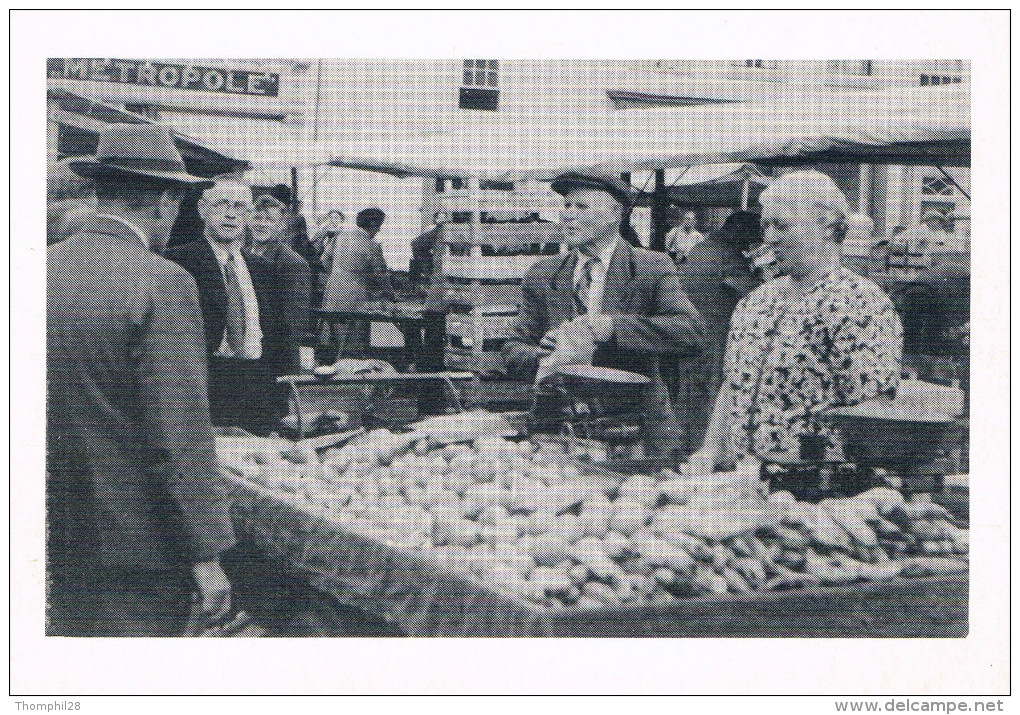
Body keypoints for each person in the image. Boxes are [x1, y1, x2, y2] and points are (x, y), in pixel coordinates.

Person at [47, 124, 235, 636]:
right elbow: (179, 431)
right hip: (136, 544)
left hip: (49, 526)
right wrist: (205, 551)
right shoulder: (164, 281)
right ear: (164, 202)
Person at [690, 170, 903, 472]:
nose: (769, 237)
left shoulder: (860, 305)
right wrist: (709, 451)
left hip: (818, 494)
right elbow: (733, 385)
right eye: (766, 225)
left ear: (827, 227)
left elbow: (874, 410)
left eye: (782, 225)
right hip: (743, 487)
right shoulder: (754, 302)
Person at [503, 172, 706, 456]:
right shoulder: (543, 274)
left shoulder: (650, 267)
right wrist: (547, 358)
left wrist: (612, 328)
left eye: (581, 207)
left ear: (615, 214)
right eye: (566, 207)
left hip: (635, 431)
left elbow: (691, 332)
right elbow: (513, 348)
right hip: (558, 431)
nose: (568, 216)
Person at [166, 177, 277, 435]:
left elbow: (272, 338)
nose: (230, 214)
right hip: (206, 386)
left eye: (239, 207)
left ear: (249, 216)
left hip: (254, 389)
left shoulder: (260, 268)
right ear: (202, 210)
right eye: (221, 205)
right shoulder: (179, 261)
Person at [675, 211, 762, 451]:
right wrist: (763, 277)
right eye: (749, 238)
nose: (748, 245)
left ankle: (683, 447)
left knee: (687, 394)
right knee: (710, 397)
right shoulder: (729, 255)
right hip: (713, 335)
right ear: (737, 232)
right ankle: (702, 452)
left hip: (687, 331)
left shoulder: (700, 248)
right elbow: (752, 295)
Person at [248, 184, 312, 386]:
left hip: (275, 359)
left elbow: (294, 324)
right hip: (248, 355)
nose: (262, 224)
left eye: (270, 220)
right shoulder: (242, 255)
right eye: (258, 218)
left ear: (281, 226)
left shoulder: (292, 263)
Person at [319, 207, 394, 360]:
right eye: (379, 226)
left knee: (330, 331)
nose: (379, 230)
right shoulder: (373, 245)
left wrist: (337, 273)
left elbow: (324, 260)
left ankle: (327, 364)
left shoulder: (341, 235)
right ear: (373, 224)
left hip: (332, 288)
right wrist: (391, 295)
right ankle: (349, 369)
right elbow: (381, 277)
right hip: (355, 294)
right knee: (351, 336)